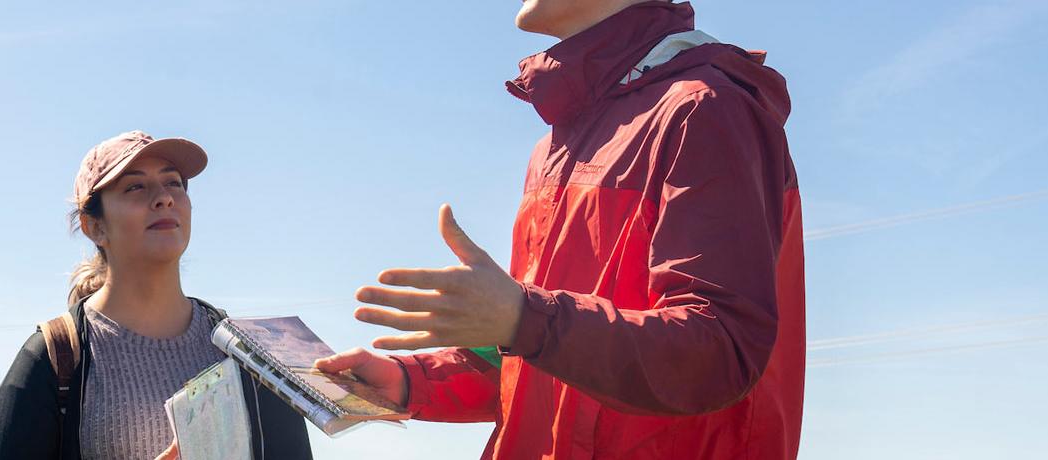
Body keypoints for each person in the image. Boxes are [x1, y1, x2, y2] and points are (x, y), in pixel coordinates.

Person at [314, 0, 803, 458]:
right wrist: (410, 381)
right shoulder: (555, 143)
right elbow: (551, 350)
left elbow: (719, 353)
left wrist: (521, 318)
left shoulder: (707, 108)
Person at [0, 131, 312, 460]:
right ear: (94, 226)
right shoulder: (50, 360)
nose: (164, 198)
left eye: (174, 183)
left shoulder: (252, 356)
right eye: (135, 186)